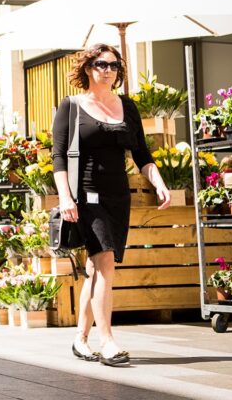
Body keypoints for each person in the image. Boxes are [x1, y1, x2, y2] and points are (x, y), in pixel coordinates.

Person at [52, 44, 169, 367]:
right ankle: (107, 341)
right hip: (86, 195)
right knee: (105, 263)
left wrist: (157, 182)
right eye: (101, 64)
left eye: (114, 65)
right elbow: (58, 156)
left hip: (119, 196)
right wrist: (65, 198)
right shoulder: (72, 107)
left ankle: (80, 338)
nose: (108, 70)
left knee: (94, 269)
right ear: (88, 68)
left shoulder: (127, 107)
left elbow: (141, 154)